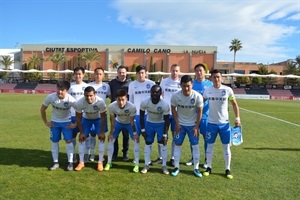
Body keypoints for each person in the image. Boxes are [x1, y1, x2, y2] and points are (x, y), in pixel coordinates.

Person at [202, 69, 241, 179]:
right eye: (214, 77)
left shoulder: (227, 90)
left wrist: (237, 118)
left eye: (218, 77)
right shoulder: (207, 91)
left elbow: (234, 104)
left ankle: (227, 169)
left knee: (226, 147)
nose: (216, 79)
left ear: (221, 78)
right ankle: (208, 167)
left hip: (224, 124)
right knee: (209, 146)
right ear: (211, 78)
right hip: (211, 124)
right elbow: (201, 103)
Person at [170, 75, 204, 177]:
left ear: (192, 85)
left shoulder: (197, 96)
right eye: (184, 86)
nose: (186, 88)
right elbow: (173, 109)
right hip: (180, 125)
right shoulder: (175, 96)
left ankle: (196, 168)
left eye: (188, 86)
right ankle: (176, 167)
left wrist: (196, 126)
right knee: (177, 144)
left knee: (195, 145)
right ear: (180, 85)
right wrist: (177, 123)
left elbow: (200, 112)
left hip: (192, 125)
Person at [40, 81, 76, 171]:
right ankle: (55, 162)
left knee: (68, 141)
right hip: (55, 123)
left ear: (67, 90)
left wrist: (75, 124)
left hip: (67, 123)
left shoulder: (71, 99)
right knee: (54, 141)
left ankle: (70, 163)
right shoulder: (51, 97)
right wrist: (46, 122)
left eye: (62, 90)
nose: (60, 92)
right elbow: (42, 109)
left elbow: (79, 111)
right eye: (58, 89)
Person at [105, 89, 139, 172]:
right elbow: (112, 121)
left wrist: (135, 133)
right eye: (119, 100)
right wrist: (111, 133)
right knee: (110, 140)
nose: (121, 102)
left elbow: (132, 121)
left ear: (126, 99)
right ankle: (109, 162)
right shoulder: (111, 106)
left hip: (129, 124)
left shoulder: (132, 107)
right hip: (118, 123)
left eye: (123, 100)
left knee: (136, 141)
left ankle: (137, 164)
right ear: (115, 99)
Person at [186, 63, 213, 168]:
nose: (198, 72)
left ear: (205, 72)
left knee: (207, 138)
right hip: (193, 115)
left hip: (206, 116)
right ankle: (193, 158)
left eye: (200, 70)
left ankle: (206, 160)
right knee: (193, 137)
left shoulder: (210, 84)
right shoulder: (192, 84)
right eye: (196, 70)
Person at [74, 86, 107, 171]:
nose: (88, 98)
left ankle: (100, 162)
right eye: (86, 95)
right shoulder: (80, 102)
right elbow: (78, 118)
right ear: (84, 95)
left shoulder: (100, 102)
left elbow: (103, 117)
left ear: (94, 94)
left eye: (91, 95)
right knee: (82, 138)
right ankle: (81, 162)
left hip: (98, 119)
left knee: (101, 138)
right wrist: (81, 132)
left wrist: (102, 131)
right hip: (86, 119)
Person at [140, 85, 170, 174]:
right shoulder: (145, 102)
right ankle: (146, 165)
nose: (155, 94)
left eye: (157, 92)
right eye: (153, 92)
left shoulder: (164, 104)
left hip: (160, 124)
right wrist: (143, 130)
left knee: (163, 144)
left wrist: (165, 135)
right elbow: (141, 116)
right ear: (150, 92)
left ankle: (164, 166)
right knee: (148, 143)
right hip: (149, 124)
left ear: (161, 93)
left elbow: (167, 120)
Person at [159, 64, 181, 167]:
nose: (175, 73)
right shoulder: (164, 82)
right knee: (163, 135)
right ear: (170, 71)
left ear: (179, 72)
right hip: (165, 113)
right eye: (173, 70)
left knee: (174, 136)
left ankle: (172, 158)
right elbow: (160, 96)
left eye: (176, 71)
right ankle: (161, 157)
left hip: (176, 114)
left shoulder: (181, 83)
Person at [108, 65, 131, 161]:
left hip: (126, 113)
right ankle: (114, 153)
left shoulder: (130, 84)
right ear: (117, 73)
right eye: (120, 72)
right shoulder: (112, 83)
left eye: (123, 72)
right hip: (115, 112)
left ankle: (125, 154)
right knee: (114, 134)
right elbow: (109, 95)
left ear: (126, 73)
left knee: (126, 135)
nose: (121, 74)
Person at [88, 67, 111, 162]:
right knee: (92, 135)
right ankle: (92, 154)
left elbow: (111, 97)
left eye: (100, 74)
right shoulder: (89, 85)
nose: (98, 76)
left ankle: (101, 155)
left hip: (102, 115)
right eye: (97, 74)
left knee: (101, 136)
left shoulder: (106, 86)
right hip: (91, 114)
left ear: (103, 75)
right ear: (94, 74)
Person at [68, 66, 89, 163]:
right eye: (76, 74)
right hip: (72, 115)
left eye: (80, 74)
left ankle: (84, 155)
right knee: (72, 137)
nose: (78, 76)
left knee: (83, 136)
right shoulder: (70, 87)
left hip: (84, 116)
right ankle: (73, 156)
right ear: (74, 75)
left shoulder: (87, 87)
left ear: (83, 75)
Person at [128, 65, 155, 136]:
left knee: (148, 136)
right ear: (136, 74)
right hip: (137, 114)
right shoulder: (132, 84)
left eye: (142, 73)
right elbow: (131, 99)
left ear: (146, 73)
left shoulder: (151, 84)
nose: (141, 75)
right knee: (136, 135)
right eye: (139, 73)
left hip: (148, 114)